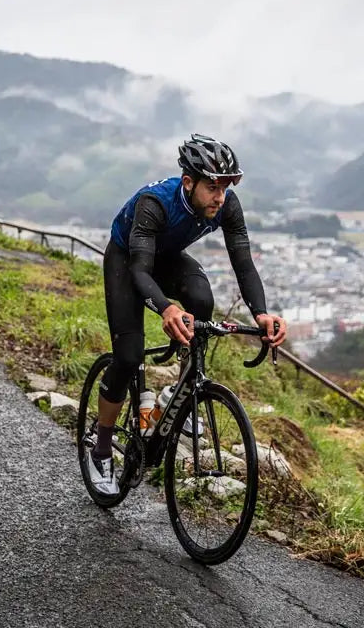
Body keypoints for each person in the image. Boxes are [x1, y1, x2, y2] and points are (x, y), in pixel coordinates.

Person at [87, 133, 288, 495]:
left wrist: (261, 313)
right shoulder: (155, 203)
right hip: (128, 261)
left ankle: (180, 390)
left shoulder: (227, 205)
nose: (220, 196)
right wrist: (165, 307)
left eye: (226, 186)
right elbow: (139, 272)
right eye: (212, 186)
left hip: (166, 259)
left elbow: (243, 263)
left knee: (200, 298)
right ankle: (100, 448)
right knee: (129, 357)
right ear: (188, 182)